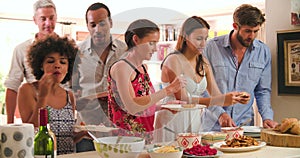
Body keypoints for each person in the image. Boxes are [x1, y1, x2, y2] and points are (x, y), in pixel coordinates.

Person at [154, 16, 250, 142]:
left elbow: (216, 95)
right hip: (172, 121)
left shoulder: (203, 62)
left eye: (206, 38)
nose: (204, 43)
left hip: (194, 123)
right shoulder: (173, 60)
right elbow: (182, 99)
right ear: (186, 37)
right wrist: (220, 99)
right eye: (199, 39)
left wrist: (234, 98)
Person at [107, 19, 186, 144]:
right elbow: (132, 106)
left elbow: (143, 106)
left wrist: (164, 107)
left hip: (145, 137)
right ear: (136, 40)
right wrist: (169, 89)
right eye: (151, 43)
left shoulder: (143, 68)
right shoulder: (121, 67)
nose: (155, 49)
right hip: (126, 142)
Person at [203, 4, 278, 130]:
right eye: (248, 31)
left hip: (245, 127)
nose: (252, 36)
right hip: (213, 127)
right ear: (235, 26)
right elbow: (202, 88)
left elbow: (262, 91)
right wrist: (220, 113)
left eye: (256, 31)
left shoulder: (263, 52)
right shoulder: (210, 48)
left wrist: (267, 117)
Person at [71, 2, 127, 152]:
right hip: (87, 133)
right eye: (93, 24)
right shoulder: (77, 53)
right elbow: (69, 90)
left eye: (102, 23)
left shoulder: (125, 51)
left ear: (111, 22)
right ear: (87, 26)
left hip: (119, 130)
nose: (98, 29)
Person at [17, 35, 81, 155]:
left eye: (63, 62)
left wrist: (83, 134)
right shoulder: (27, 90)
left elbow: (66, 137)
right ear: (41, 65)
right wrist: (43, 97)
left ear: (68, 68)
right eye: (51, 61)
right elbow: (30, 133)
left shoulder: (69, 96)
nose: (57, 65)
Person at [4, 0, 58, 124]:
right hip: (35, 111)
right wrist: (9, 125)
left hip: (61, 110)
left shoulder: (68, 49)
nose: (48, 23)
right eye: (43, 18)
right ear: (35, 20)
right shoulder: (21, 49)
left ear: (56, 17)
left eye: (51, 18)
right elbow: (12, 87)